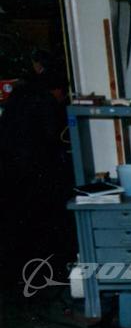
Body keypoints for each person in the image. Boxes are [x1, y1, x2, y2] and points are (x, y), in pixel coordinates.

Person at [0, 50, 76, 297]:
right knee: (42, 221)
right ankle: (42, 274)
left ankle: (17, 275)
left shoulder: (20, 93)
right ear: (59, 91)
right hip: (33, 169)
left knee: (17, 223)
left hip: (10, 168)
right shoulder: (45, 101)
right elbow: (51, 137)